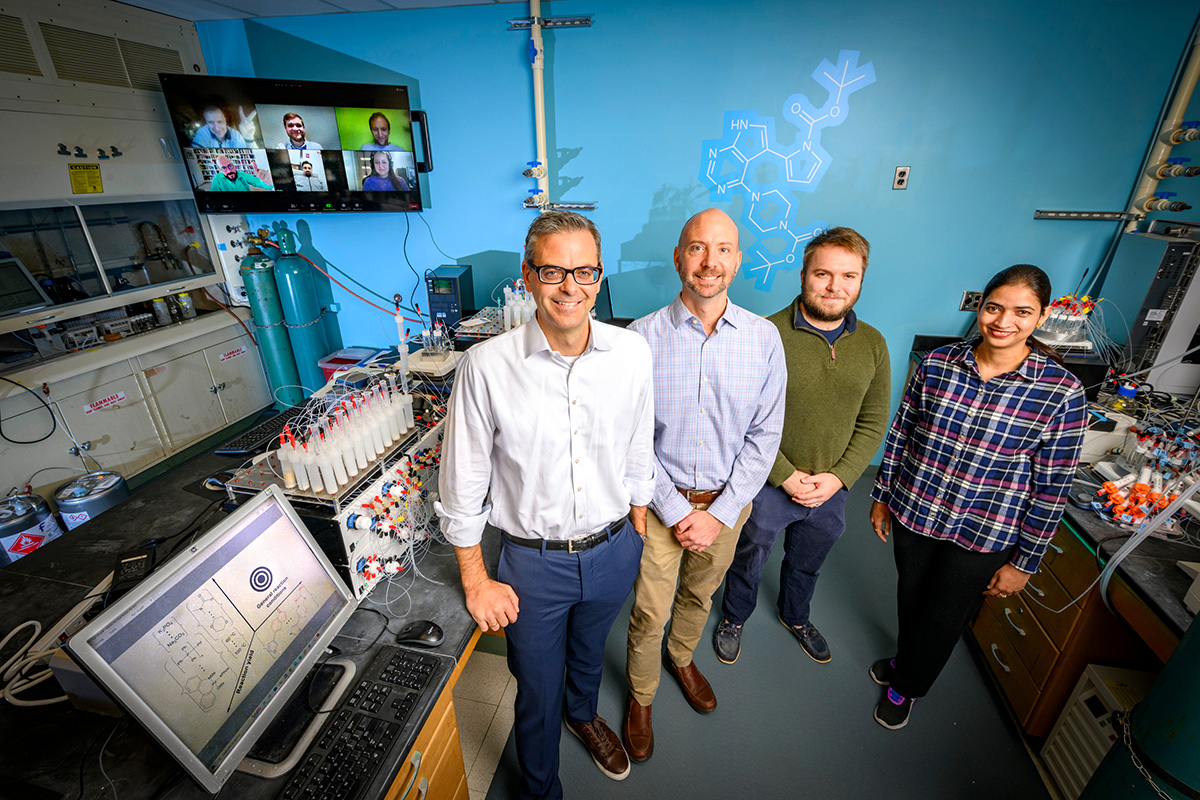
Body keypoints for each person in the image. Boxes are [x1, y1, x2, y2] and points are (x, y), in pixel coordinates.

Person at [436, 211, 654, 800]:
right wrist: (477, 579)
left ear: (599, 276)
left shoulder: (632, 353)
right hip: (533, 564)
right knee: (535, 687)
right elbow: (462, 485)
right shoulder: (486, 367)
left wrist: (634, 527)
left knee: (587, 655)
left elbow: (639, 447)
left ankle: (583, 716)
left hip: (614, 550)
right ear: (528, 277)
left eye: (583, 271)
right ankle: (540, 788)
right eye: (553, 271)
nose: (569, 287)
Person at [869, 264, 1087, 730]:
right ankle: (908, 661)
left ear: (1041, 316)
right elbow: (902, 433)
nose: (1004, 321)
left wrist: (1024, 562)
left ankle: (906, 687)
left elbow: (1052, 489)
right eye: (994, 307)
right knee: (911, 598)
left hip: (985, 531)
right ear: (980, 308)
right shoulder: (938, 364)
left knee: (944, 615)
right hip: (917, 510)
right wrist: (883, 495)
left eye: (1022, 312)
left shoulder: (1061, 393)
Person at [622, 209, 785, 763]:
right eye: (696, 248)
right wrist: (673, 508)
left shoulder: (763, 340)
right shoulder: (639, 340)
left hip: (727, 505)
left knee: (699, 593)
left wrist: (718, 513)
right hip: (661, 507)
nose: (709, 262)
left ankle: (683, 656)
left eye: (722, 250)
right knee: (649, 608)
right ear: (678, 258)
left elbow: (765, 438)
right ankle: (641, 697)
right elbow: (633, 438)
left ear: (738, 261)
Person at [715, 227, 890, 666]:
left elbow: (871, 423)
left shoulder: (873, 344)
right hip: (770, 480)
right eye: (823, 274)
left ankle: (796, 615)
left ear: (862, 279)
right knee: (750, 554)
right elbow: (742, 422)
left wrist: (837, 478)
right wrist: (785, 475)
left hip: (832, 486)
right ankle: (734, 616)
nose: (835, 287)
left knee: (809, 559)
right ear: (803, 275)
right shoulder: (763, 335)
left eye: (848, 276)